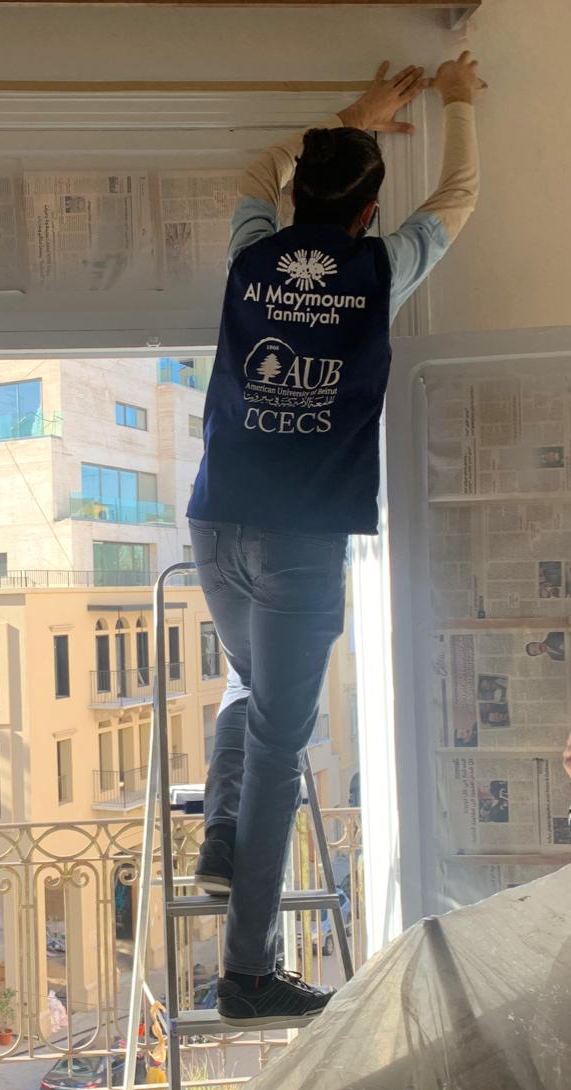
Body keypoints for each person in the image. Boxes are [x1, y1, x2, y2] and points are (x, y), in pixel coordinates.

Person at [187, 55, 486, 1026]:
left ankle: (223, 835)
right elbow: (457, 195)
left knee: (247, 686)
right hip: (299, 539)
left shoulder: (250, 255)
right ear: (367, 214)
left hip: (213, 520)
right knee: (280, 740)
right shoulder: (378, 270)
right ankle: (247, 973)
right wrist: (458, 98)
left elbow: (252, 172)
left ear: (296, 196)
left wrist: (359, 113)